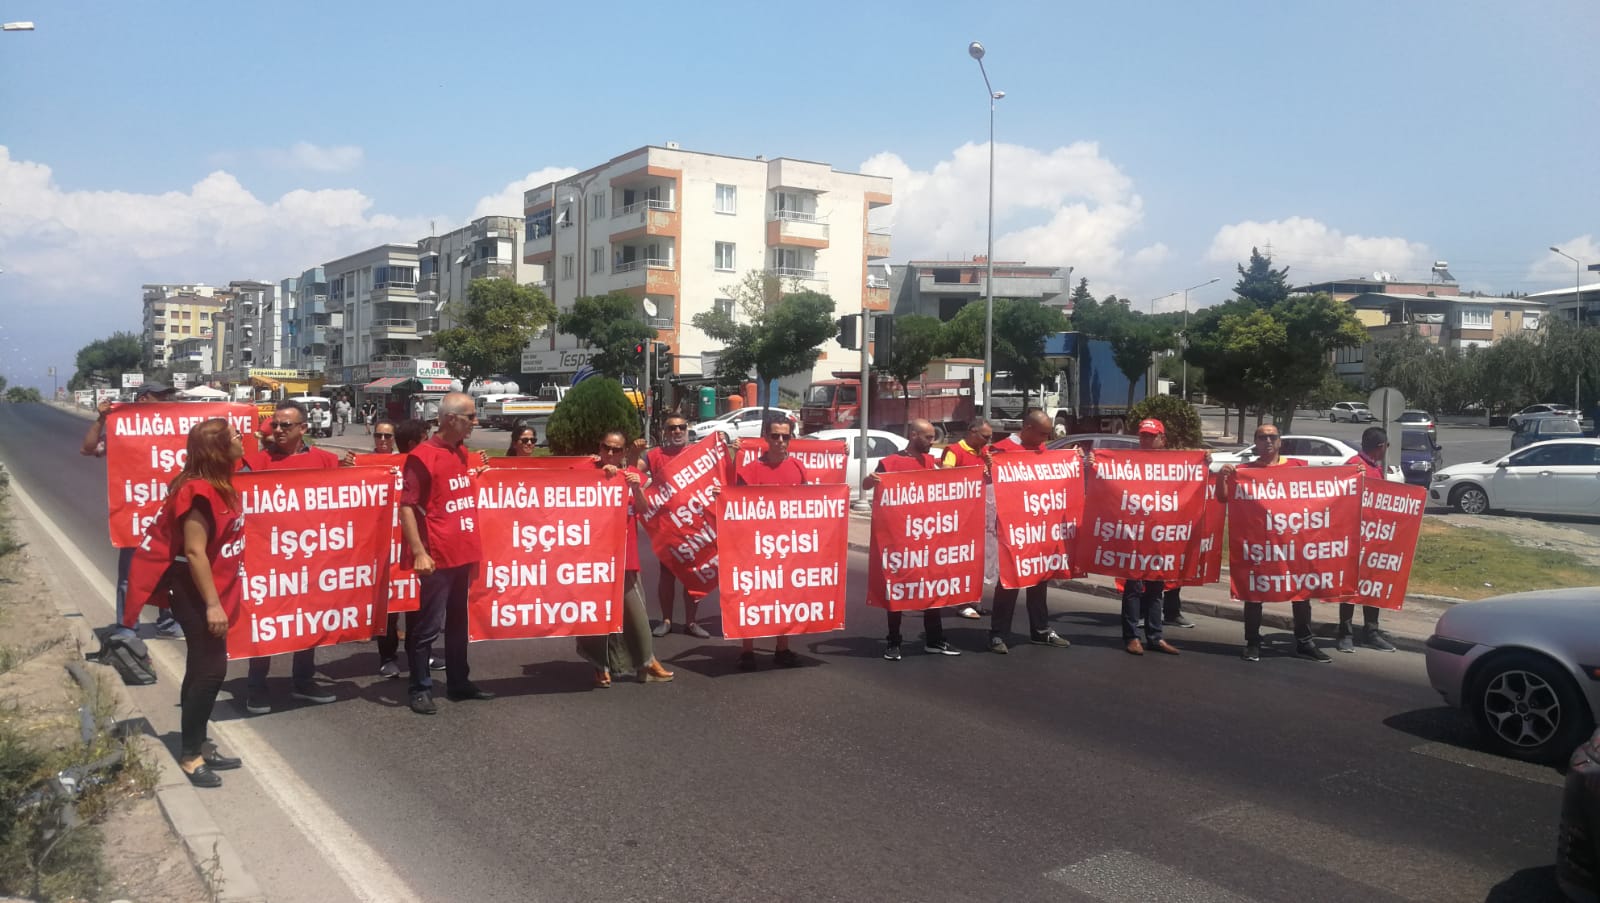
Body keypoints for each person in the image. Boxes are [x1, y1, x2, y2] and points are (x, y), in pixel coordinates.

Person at [122, 418, 246, 788]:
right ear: (217, 449)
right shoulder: (197, 492)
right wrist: (212, 604)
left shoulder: (220, 485)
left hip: (213, 591)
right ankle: (191, 755)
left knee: (203, 670)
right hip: (196, 594)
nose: (244, 440)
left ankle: (199, 743)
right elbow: (194, 552)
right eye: (237, 437)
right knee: (209, 672)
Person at [238, 400, 344, 714]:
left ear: (303, 429)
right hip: (267, 562)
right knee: (264, 624)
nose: (279, 430)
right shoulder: (254, 464)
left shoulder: (326, 461)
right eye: (276, 425)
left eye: (287, 425)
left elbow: (346, 501)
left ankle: (304, 681)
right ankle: (256, 687)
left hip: (311, 559)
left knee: (307, 621)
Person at [398, 392, 495, 714]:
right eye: (470, 417)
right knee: (428, 626)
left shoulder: (461, 452)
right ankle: (420, 686)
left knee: (457, 624)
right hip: (436, 556)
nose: (475, 422)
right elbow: (407, 507)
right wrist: (419, 553)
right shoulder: (422, 457)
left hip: (462, 553)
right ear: (451, 419)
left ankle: (458, 682)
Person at [1218, 424, 1330, 663]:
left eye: (1272, 437)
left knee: (1300, 592)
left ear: (1279, 441)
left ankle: (1304, 642)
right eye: (1262, 437)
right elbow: (1223, 498)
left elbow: (1327, 487)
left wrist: (1356, 472)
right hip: (1259, 545)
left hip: (1293, 543)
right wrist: (1222, 477)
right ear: (1255, 442)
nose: (1267, 441)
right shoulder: (1244, 470)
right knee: (1254, 592)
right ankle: (1252, 642)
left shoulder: (1297, 468)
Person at [81, 382, 182, 639]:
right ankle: (127, 627)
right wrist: (101, 419)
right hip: (136, 518)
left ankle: (169, 623)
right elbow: (89, 449)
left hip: (170, 517)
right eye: (161, 396)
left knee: (171, 572)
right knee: (131, 575)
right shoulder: (123, 431)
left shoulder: (177, 429)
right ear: (145, 398)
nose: (166, 401)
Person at [577, 431, 675, 687]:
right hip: (594, 559)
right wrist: (596, 469)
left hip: (625, 556)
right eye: (606, 447)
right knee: (596, 614)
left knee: (636, 613)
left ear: (623, 452)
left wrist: (634, 487)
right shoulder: (586, 470)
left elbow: (643, 509)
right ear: (599, 447)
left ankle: (646, 663)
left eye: (616, 449)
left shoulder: (631, 475)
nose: (610, 453)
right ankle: (600, 666)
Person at [865, 419, 961, 661]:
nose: (932, 442)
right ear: (914, 435)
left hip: (928, 537)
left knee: (932, 586)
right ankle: (893, 642)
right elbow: (868, 485)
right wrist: (871, 480)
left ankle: (934, 640)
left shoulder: (931, 462)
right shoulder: (890, 463)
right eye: (928, 438)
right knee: (897, 588)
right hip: (898, 539)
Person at [986, 409, 1073, 654]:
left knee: (1039, 582)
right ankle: (997, 634)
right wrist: (988, 470)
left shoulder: (1042, 451)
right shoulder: (1000, 451)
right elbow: (986, 488)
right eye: (1043, 434)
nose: (1045, 440)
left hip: (1038, 531)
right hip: (1011, 532)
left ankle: (1041, 631)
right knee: (1008, 585)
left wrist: (1075, 462)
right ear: (1027, 428)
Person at [731, 417, 807, 670]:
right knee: (752, 596)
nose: (781, 441)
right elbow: (737, 505)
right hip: (755, 546)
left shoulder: (798, 467)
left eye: (786, 436)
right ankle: (747, 651)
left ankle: (782, 649)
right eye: (776, 436)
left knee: (784, 597)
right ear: (766, 437)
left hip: (787, 547)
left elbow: (810, 505)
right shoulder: (750, 469)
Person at [1117, 419, 1182, 656]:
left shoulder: (1175, 465)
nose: (1145, 439)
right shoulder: (1127, 463)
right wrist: (1095, 464)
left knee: (1156, 587)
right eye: (1143, 435)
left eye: (1151, 436)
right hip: (1134, 535)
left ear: (1162, 439)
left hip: (1160, 535)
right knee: (1133, 587)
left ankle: (1155, 636)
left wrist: (1204, 463)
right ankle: (1132, 636)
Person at [643, 414, 711, 639]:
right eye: (672, 428)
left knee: (693, 575)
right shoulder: (655, 456)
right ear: (665, 431)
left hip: (695, 525)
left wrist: (738, 450)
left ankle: (692, 622)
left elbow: (721, 473)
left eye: (681, 427)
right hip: (667, 526)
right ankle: (666, 620)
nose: (677, 432)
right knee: (667, 574)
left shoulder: (698, 453)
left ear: (687, 430)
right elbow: (633, 470)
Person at [1338, 427, 1397, 653]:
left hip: (1375, 538)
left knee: (1373, 586)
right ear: (1381, 447)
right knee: (1350, 587)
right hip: (1354, 538)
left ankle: (1371, 632)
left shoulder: (1375, 469)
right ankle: (1345, 634)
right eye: (1386, 447)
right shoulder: (1354, 466)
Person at [939, 417, 994, 620]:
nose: (988, 441)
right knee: (962, 560)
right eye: (985, 436)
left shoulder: (986, 453)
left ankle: (974, 599)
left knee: (977, 560)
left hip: (980, 516)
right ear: (972, 432)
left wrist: (990, 467)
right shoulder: (954, 451)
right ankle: (961, 602)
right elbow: (946, 476)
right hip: (960, 517)